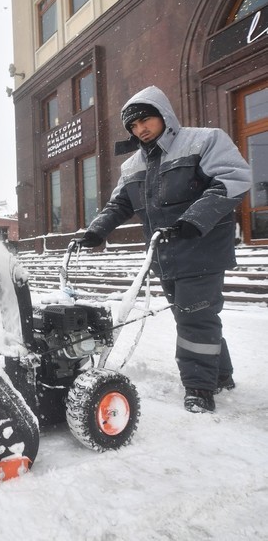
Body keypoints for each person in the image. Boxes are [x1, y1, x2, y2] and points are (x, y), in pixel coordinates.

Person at [77, 85, 252, 413]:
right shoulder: (132, 166)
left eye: (145, 120)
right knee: (195, 317)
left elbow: (233, 178)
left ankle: (199, 388)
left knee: (194, 319)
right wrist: (95, 231)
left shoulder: (203, 140)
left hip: (202, 250)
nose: (140, 129)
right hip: (166, 258)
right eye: (133, 126)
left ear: (164, 115)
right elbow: (119, 204)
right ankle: (221, 374)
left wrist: (193, 220)